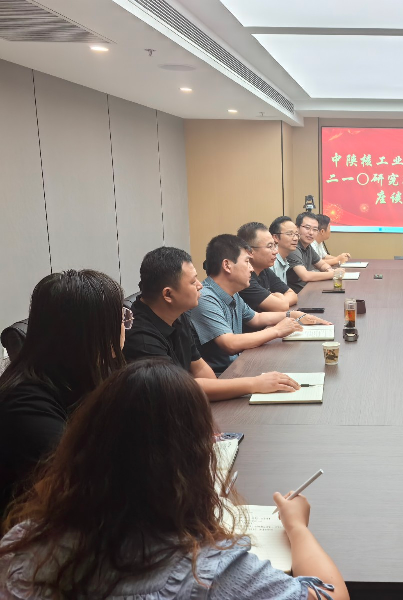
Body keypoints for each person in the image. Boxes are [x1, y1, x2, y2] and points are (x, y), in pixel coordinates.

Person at [0, 359, 349, 599]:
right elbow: (330, 595)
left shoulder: (21, 547)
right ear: (195, 460)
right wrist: (297, 527)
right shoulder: (211, 574)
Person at [0, 270, 126, 516]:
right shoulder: (25, 402)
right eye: (121, 319)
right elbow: (73, 488)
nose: (125, 327)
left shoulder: (85, 374)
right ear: (91, 331)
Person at [124, 247, 304, 400]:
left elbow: (199, 367)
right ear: (168, 294)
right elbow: (174, 388)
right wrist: (254, 384)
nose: (199, 285)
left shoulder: (177, 315)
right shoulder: (141, 337)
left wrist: (219, 391)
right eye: (192, 282)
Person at [190, 234, 330, 375]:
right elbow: (230, 343)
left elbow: (256, 318)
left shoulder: (233, 293)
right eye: (247, 262)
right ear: (227, 265)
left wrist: (293, 314)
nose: (251, 269)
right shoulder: (205, 298)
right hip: (222, 375)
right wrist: (276, 331)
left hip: (237, 366)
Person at [237, 221, 298, 311]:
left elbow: (292, 294)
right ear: (249, 252)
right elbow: (280, 306)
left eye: (274, 245)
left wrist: (279, 299)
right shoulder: (244, 279)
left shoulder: (264, 270)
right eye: (270, 246)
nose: (275, 251)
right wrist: (280, 299)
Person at [287, 213, 344, 293]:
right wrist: (334, 274)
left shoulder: (308, 246)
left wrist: (329, 270)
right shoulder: (293, 247)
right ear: (297, 228)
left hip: (308, 289)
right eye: (307, 228)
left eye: (315, 229)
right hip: (297, 294)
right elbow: (305, 276)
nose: (311, 233)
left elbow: (322, 264)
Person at [269, 216, 298, 286]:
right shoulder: (271, 262)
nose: (296, 238)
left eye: (296, 234)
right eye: (290, 234)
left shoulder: (283, 259)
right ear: (275, 237)